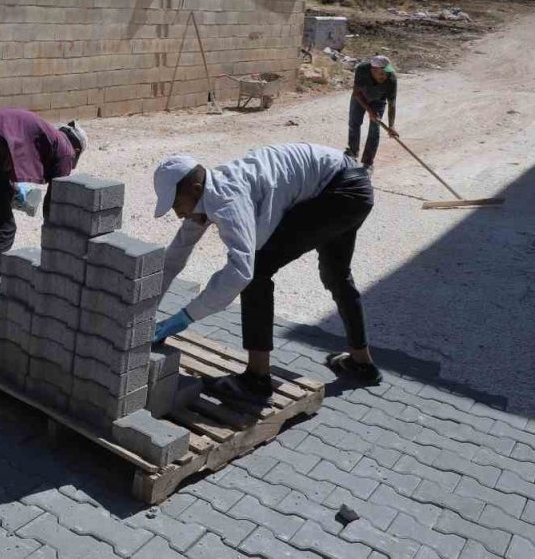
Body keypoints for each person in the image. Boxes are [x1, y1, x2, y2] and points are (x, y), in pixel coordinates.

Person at [150, 143, 381, 401]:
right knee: (336, 274)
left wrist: (183, 318)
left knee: (256, 271)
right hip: (352, 185)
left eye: (176, 204)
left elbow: (240, 272)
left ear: (195, 188)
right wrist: (146, 312)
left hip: (340, 191)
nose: (178, 214)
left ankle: (256, 379)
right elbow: (176, 256)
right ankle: (362, 364)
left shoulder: (227, 201)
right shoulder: (205, 194)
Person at [0, 109, 87, 318]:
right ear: (76, 149)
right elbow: (55, 202)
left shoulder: (45, 135)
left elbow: (1, 163)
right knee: (2, 229)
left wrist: (12, 192)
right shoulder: (66, 150)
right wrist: (55, 248)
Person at [347, 55, 398, 171]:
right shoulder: (362, 70)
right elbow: (357, 92)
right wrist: (370, 112)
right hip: (360, 97)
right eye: (381, 74)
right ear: (373, 70)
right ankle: (352, 153)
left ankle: (368, 163)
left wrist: (391, 126)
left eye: (387, 73)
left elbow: (392, 103)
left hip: (378, 100)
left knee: (375, 129)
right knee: (354, 123)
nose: (385, 76)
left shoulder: (391, 78)